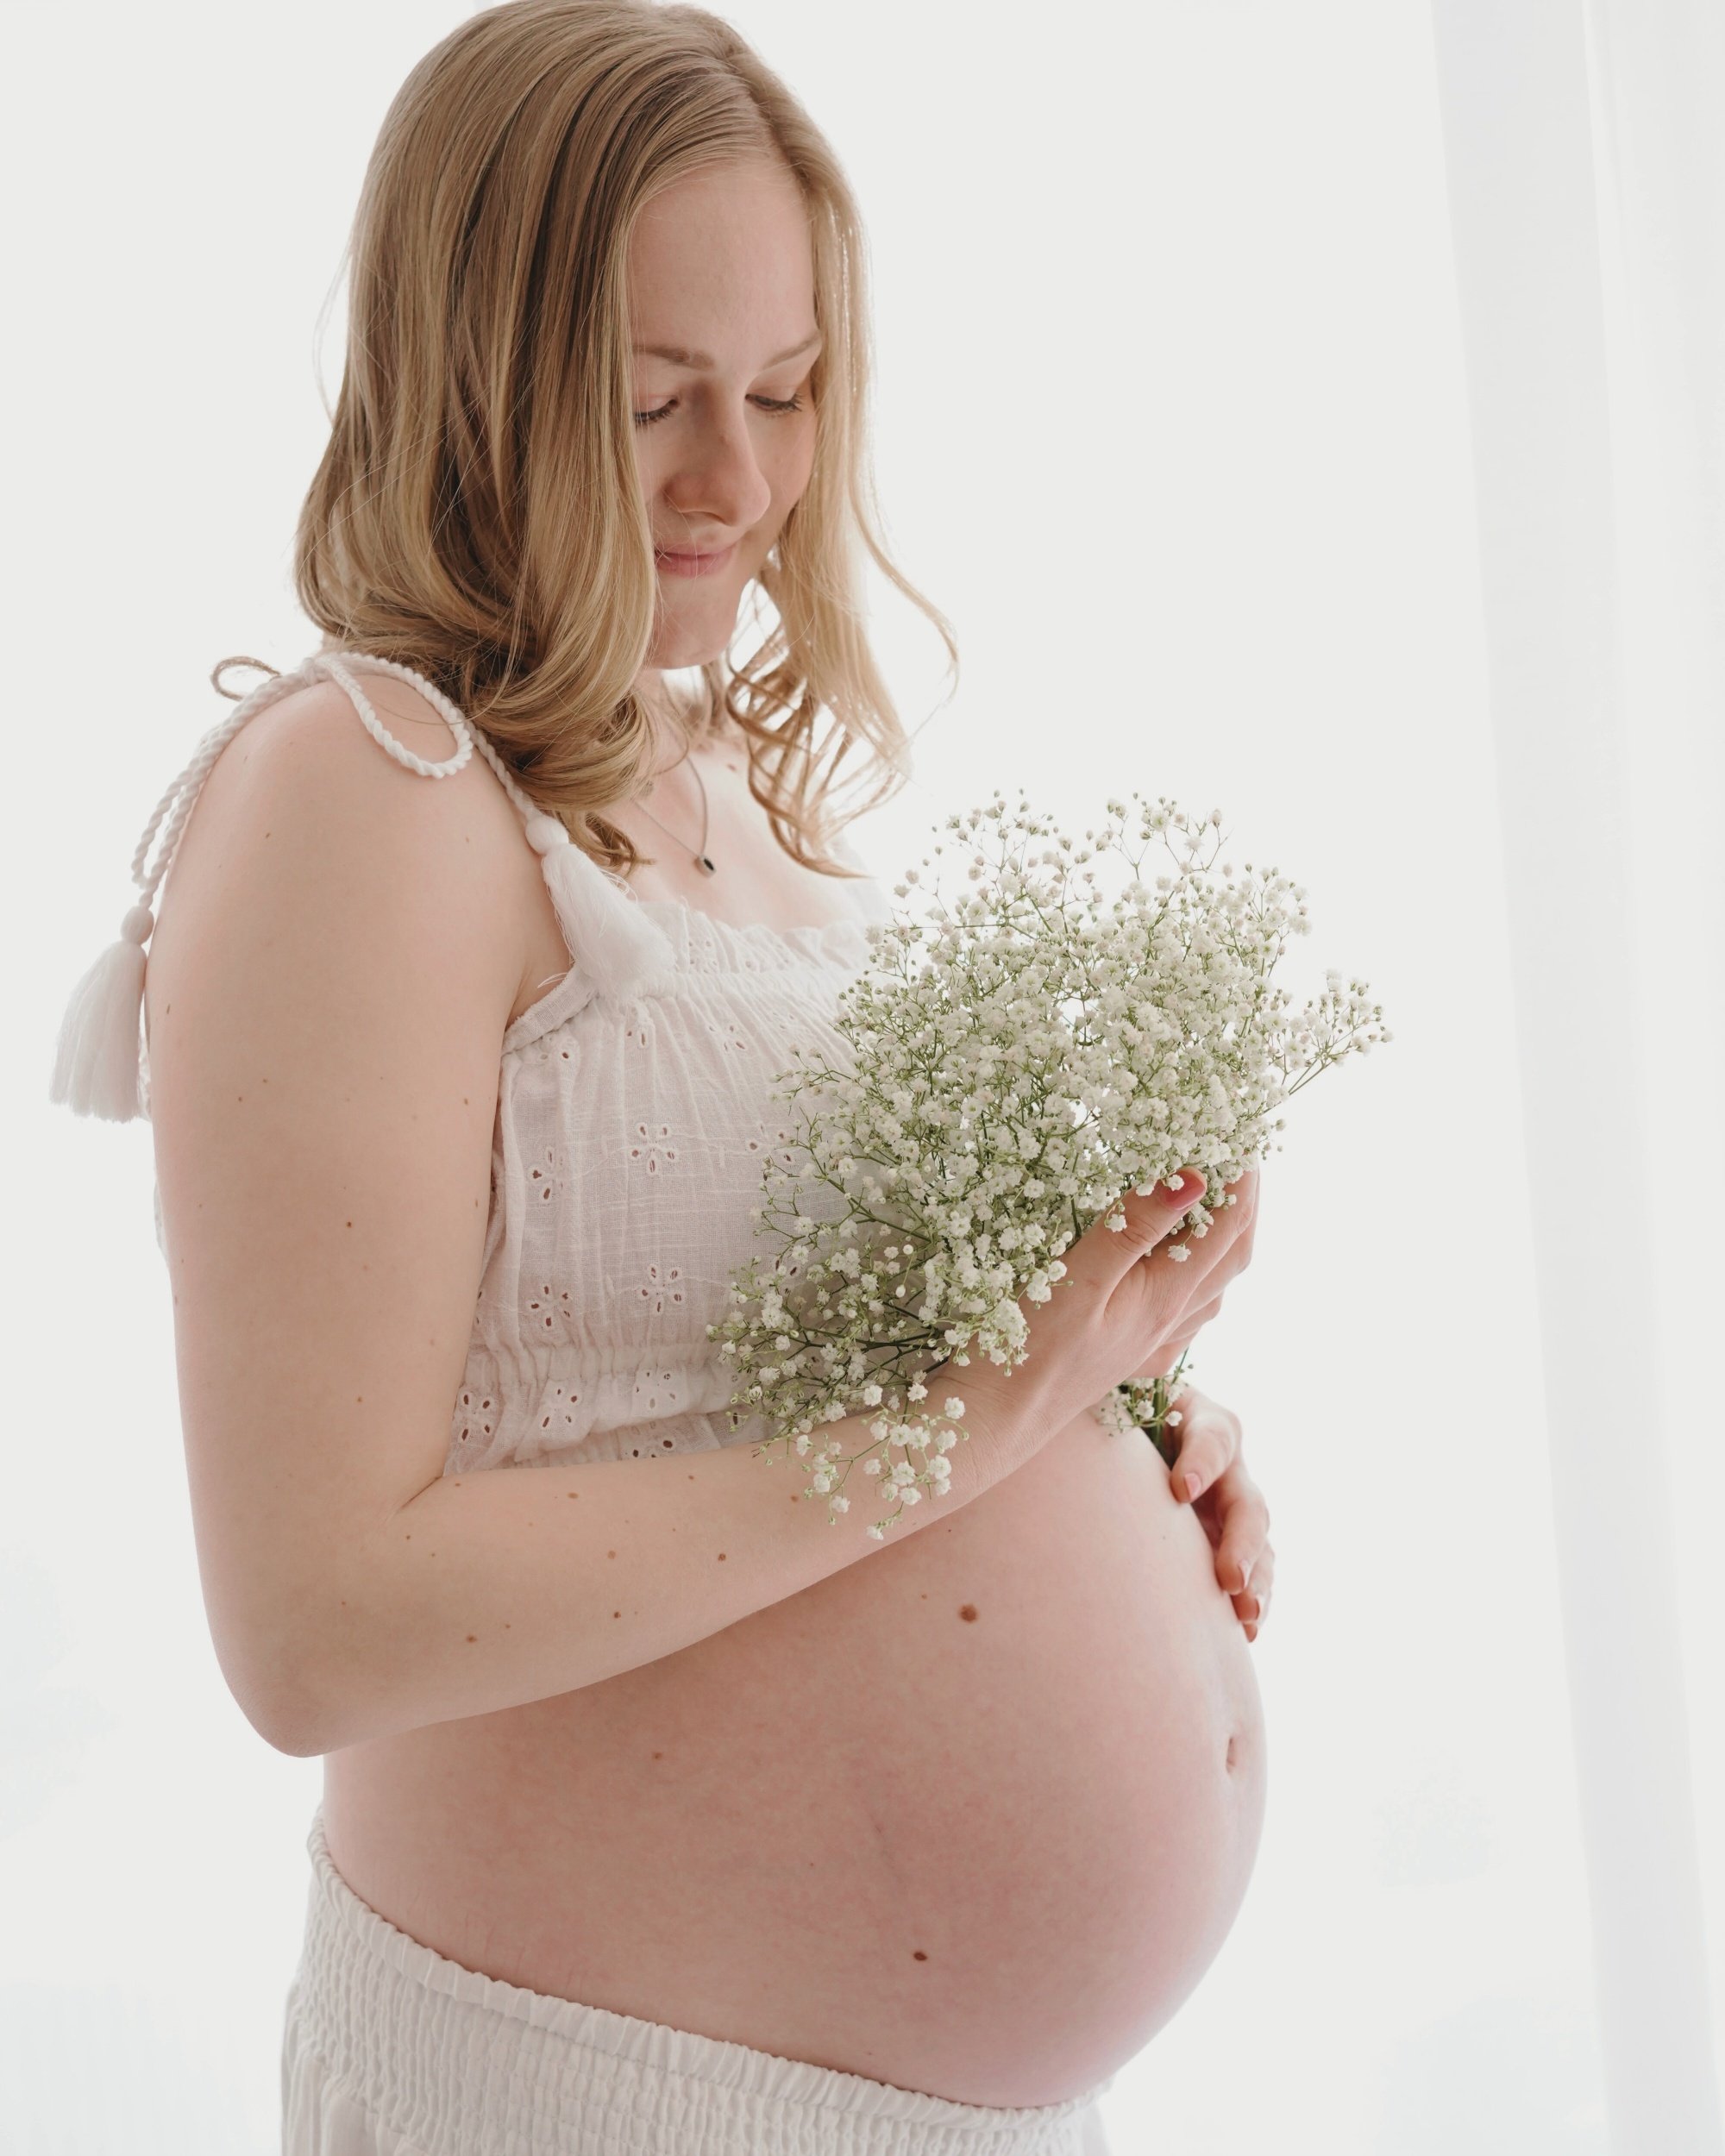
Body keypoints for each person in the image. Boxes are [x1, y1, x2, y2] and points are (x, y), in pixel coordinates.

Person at [48, 3, 1276, 2149]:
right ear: (478, 380)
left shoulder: (738, 793)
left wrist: (1115, 1407)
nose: (742, 478)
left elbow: (726, 1381)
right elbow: (314, 1622)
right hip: (602, 2094)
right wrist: (965, 1439)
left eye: (789, 394)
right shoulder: (368, 787)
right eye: (656, 401)